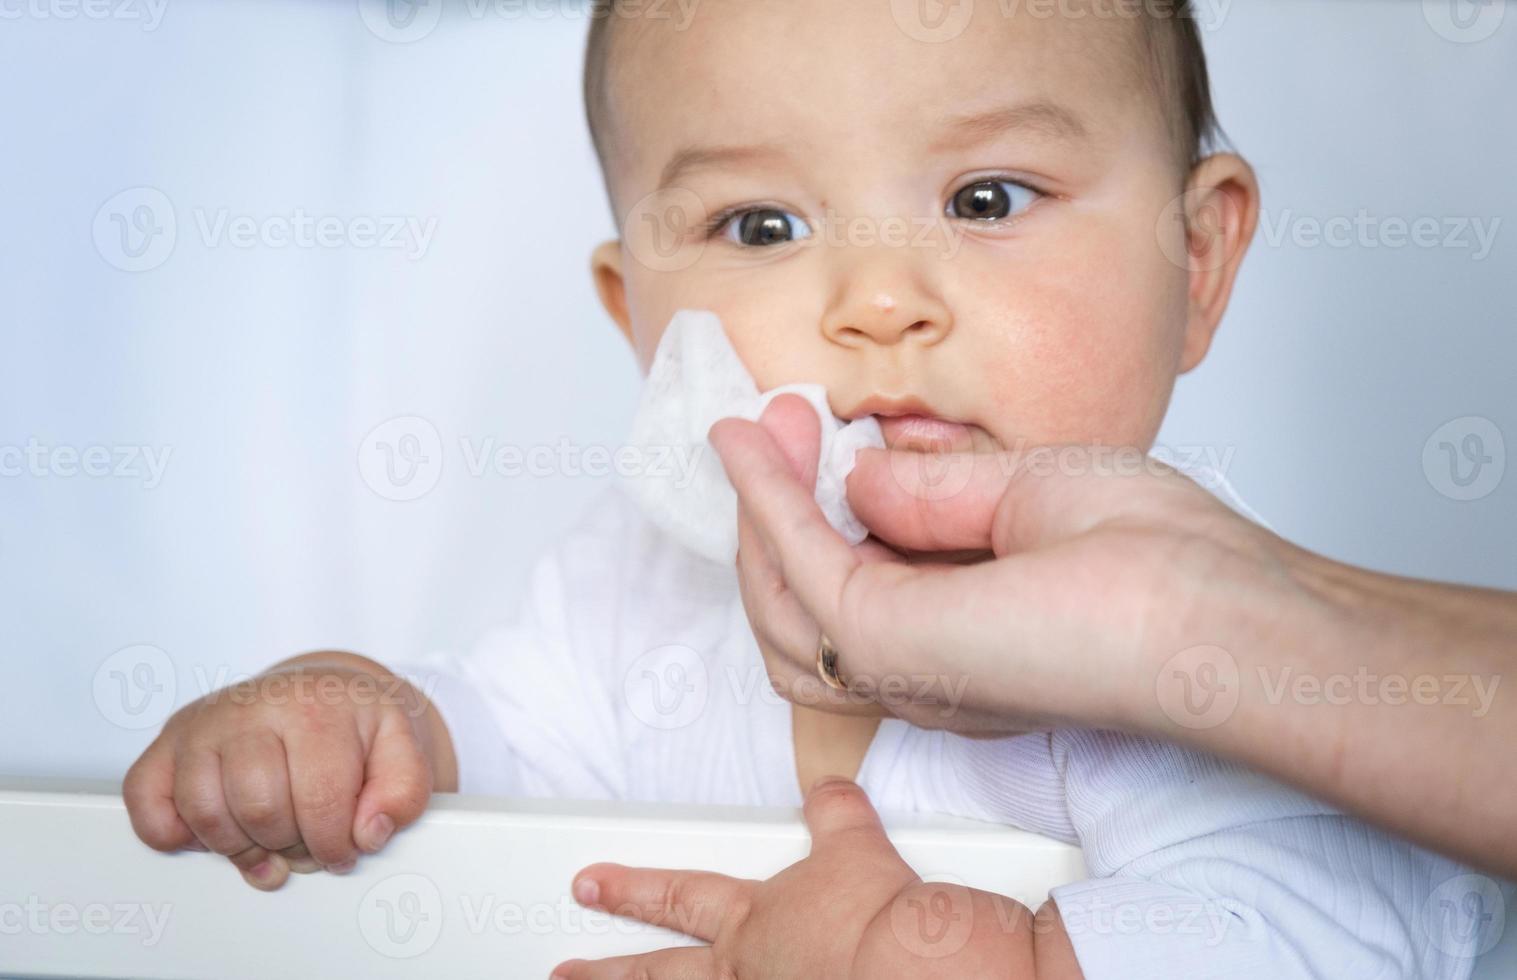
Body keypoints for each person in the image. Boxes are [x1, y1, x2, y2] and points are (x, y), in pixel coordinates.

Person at [122, 1, 1489, 976]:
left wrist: (970, 956)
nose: (876, 302)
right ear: (636, 321)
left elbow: (1346, 928)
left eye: (989, 198)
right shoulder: (637, 579)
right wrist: (364, 714)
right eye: (760, 227)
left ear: (1194, 260)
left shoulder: (1198, 654)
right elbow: (512, 763)